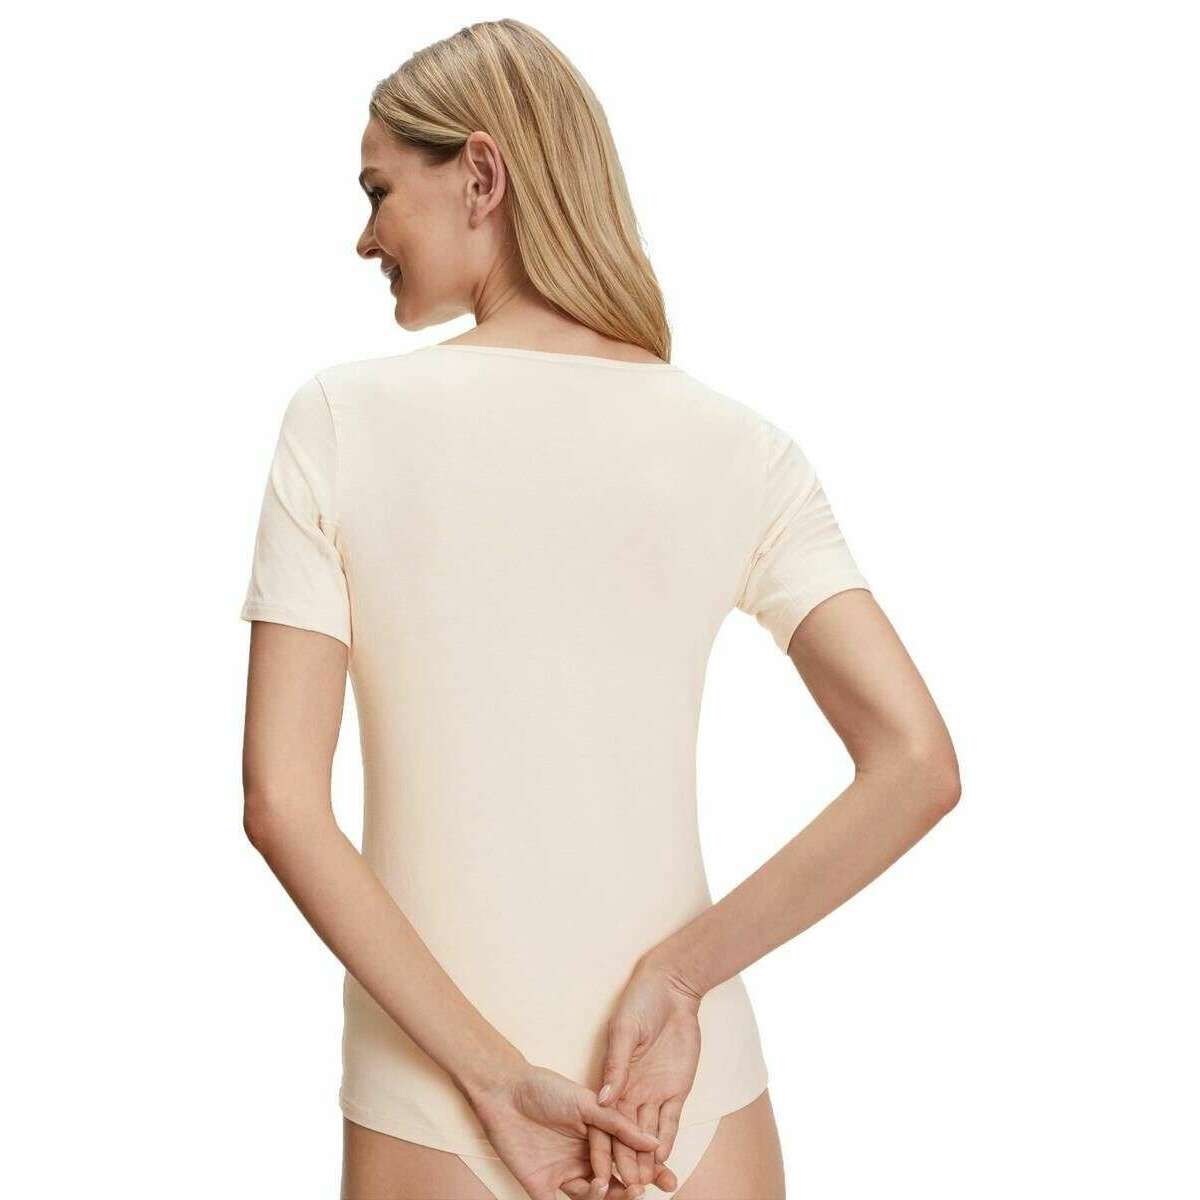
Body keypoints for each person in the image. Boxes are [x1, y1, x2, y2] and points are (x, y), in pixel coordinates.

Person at [239, 19, 961, 1200]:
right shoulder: (741, 449)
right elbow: (917, 762)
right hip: (682, 1100)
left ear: (481, 175)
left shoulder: (338, 422)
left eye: (379, 190)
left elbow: (283, 804)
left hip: (435, 1099)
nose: (365, 234)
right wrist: (681, 978)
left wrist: (490, 1078)